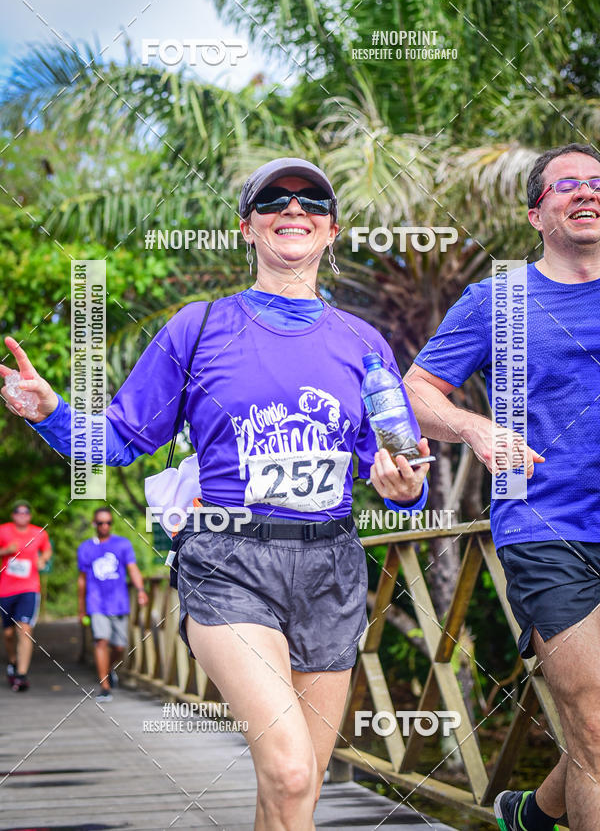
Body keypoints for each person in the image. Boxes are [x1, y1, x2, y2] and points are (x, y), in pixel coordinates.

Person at [1, 157, 431, 831]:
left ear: (332, 229)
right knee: (291, 772)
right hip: (230, 564)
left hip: (332, 570)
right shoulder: (198, 327)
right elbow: (119, 438)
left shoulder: (364, 342)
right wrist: (52, 412)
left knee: (295, 791)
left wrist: (406, 488)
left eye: (312, 200)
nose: (294, 208)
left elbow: (398, 461)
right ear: (246, 227)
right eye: (274, 199)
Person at [404, 143, 600, 831]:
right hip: (548, 527)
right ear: (536, 213)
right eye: (567, 185)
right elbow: (415, 392)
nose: (587, 191)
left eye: (598, 182)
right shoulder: (500, 300)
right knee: (593, 723)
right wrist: (474, 428)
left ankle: (534, 813)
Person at [77, 506, 148, 702]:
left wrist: (141, 590)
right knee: (101, 641)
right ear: (94, 524)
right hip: (96, 602)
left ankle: (107, 669)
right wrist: (81, 608)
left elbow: (133, 569)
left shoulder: (122, 544)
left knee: (119, 646)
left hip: (118, 602)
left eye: (108, 522)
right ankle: (105, 686)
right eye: (101, 523)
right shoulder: (85, 548)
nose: (104, 526)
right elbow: (82, 580)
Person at [0, 500, 52, 692]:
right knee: (8, 634)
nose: (22, 515)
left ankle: (21, 676)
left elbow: (47, 550)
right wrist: (5, 551)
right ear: (13, 515)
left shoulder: (39, 533)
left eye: (25, 512)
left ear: (29, 516)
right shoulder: (3, 531)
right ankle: (13, 662)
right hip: (6, 589)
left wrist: (43, 559)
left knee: (25, 629)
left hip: (29, 588)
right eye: (18, 512)